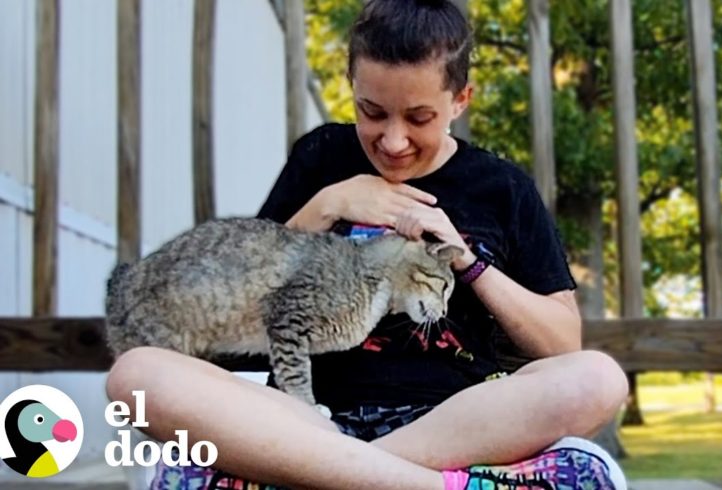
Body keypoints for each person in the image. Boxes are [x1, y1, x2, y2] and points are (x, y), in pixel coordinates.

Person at [105, 0, 629, 488]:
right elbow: (246, 275)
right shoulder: (322, 156)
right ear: (352, 86)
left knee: (598, 379)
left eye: (418, 118)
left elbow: (562, 345)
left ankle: (320, 475)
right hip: (304, 413)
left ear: (460, 100)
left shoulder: (503, 188)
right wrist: (329, 204)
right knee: (137, 377)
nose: (393, 141)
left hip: (454, 421)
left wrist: (466, 261)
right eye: (372, 112)